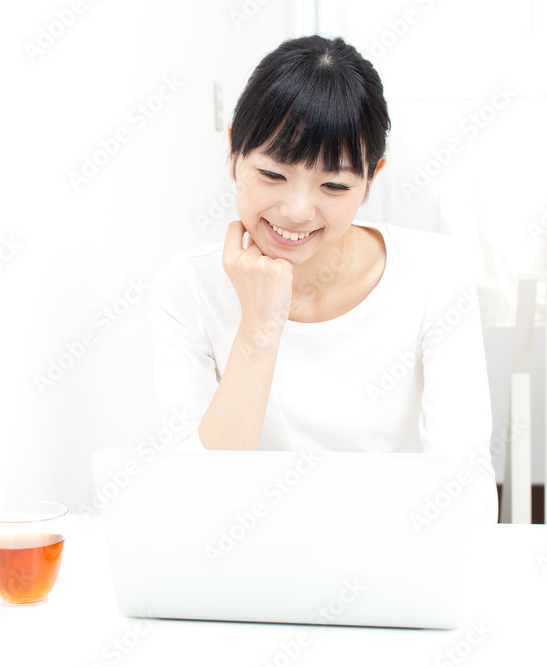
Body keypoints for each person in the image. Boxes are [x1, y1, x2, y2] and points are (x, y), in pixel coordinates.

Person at [150, 35, 497, 531]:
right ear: (233, 153)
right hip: (246, 564)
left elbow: (466, 485)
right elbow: (196, 499)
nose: (296, 211)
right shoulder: (186, 286)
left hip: (396, 555)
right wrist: (260, 327)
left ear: (371, 179)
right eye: (272, 174)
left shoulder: (436, 273)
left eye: (334, 186)